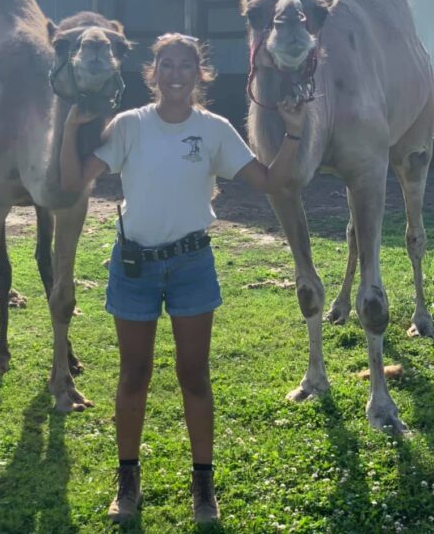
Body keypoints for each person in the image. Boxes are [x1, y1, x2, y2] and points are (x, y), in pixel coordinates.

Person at [59, 33, 306, 524]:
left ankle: (203, 488)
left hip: (191, 265)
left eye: (185, 67)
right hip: (135, 268)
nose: (175, 75)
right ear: (153, 74)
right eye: (166, 65)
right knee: (134, 375)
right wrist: (70, 130)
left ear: (200, 75)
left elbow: (272, 182)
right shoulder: (129, 126)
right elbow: (72, 181)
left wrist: (295, 133)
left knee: (194, 376)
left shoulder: (214, 130)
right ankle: (127, 484)